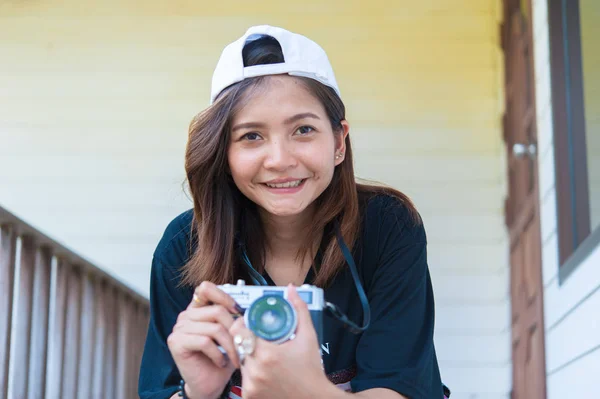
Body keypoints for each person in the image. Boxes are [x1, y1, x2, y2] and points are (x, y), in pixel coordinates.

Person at [138, 25, 446, 399]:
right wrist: (198, 393)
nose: (280, 160)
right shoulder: (185, 245)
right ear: (224, 152)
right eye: (251, 136)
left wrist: (307, 390)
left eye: (303, 129)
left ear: (338, 142)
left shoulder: (387, 226)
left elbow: (398, 388)